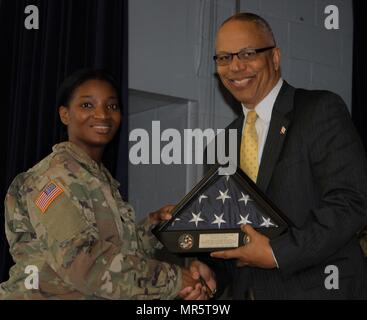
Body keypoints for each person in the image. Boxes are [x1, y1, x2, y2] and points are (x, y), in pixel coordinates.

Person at [193, 12, 367, 299]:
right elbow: (231, 234)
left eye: (248, 53)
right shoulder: (219, 145)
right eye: (224, 58)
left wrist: (277, 253)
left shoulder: (319, 110)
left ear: (274, 58)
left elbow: (352, 201)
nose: (235, 66)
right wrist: (212, 272)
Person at [0, 69, 215, 299]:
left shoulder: (97, 179)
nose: (102, 114)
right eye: (87, 105)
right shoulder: (51, 179)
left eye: (112, 106)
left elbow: (116, 252)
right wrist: (173, 279)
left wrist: (153, 228)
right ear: (64, 114)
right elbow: (82, 262)